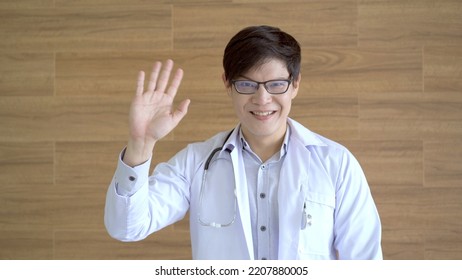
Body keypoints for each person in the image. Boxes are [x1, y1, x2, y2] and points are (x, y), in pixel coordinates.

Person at [104, 25, 382, 260]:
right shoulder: (196, 162)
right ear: (227, 83)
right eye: (247, 84)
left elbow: (365, 263)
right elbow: (127, 227)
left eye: (276, 84)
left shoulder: (336, 163)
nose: (262, 99)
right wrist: (142, 144)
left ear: (295, 84)